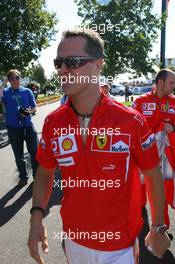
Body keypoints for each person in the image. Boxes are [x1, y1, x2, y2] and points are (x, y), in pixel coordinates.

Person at [28, 29, 170, 264]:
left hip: (120, 244)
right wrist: (36, 218)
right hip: (74, 239)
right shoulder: (53, 122)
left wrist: (157, 227)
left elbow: (153, 174)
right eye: (59, 62)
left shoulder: (130, 120)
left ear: (98, 64)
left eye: (72, 62)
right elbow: (44, 172)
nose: (63, 70)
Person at [132, 68, 175, 261]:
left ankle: (161, 231)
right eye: (171, 83)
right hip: (142, 160)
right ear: (160, 83)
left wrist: (172, 127)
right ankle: (139, 231)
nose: (174, 86)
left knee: (162, 195)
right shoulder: (140, 102)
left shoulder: (174, 102)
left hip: (165, 160)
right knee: (138, 196)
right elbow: (131, 127)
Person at [0, 69, 38, 186]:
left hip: (28, 126)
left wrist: (28, 112)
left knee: (35, 153)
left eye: (17, 78)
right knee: (18, 155)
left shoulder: (27, 91)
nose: (15, 80)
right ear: (9, 80)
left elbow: (34, 108)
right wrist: (4, 81)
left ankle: (36, 176)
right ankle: (23, 177)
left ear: (20, 78)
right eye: (12, 78)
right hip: (13, 129)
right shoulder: (5, 92)